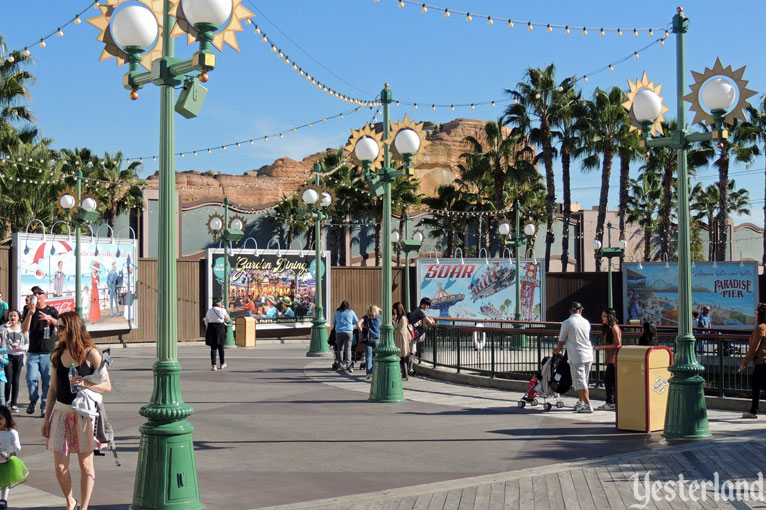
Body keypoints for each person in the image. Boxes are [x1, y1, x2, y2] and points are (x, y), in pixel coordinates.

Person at [42, 311, 111, 510]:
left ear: (73, 328)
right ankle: (70, 500)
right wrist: (46, 419)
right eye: (58, 327)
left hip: (84, 415)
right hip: (61, 412)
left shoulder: (91, 354)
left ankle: (84, 507)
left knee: (86, 466)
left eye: (62, 327)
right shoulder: (56, 353)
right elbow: (53, 389)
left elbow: (107, 386)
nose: (58, 330)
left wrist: (86, 383)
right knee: (60, 466)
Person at [21, 286, 58, 417]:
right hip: (33, 352)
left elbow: (59, 324)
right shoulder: (28, 309)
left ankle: (44, 405)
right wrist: (30, 313)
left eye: (39, 293)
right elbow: (24, 329)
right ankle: (33, 399)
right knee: (31, 378)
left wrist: (49, 318)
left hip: (48, 352)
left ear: (45, 295)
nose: (36, 295)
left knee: (47, 380)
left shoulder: (51, 310)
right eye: (34, 293)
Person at [552, 302, 593, 413]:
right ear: (580, 310)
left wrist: (557, 351)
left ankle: (588, 405)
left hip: (576, 356)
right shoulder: (586, 322)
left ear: (570, 311)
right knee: (584, 380)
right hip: (588, 353)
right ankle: (581, 402)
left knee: (580, 381)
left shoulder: (567, 322)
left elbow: (561, 340)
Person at [739, 303, 766, 419]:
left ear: (760, 314)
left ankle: (753, 411)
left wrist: (744, 363)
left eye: (756, 312)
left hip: (762, 362)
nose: (754, 314)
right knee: (757, 385)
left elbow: (753, 348)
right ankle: (753, 411)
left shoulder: (760, 328)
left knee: (756, 385)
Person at [0, 405, 29, 508]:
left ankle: (3, 499)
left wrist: (13, 453)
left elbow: (17, 446)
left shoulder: (12, 433)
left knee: (5, 481)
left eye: (1, 418)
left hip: (6, 460)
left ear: (7, 418)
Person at [595, 308, 622, 411]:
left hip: (614, 358)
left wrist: (603, 347)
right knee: (611, 380)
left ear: (609, 317)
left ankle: (610, 402)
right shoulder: (608, 328)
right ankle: (612, 401)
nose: (602, 318)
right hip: (611, 357)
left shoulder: (614, 327)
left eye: (604, 316)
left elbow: (618, 344)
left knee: (608, 379)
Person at [1, 311, 27, 412]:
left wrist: (20, 347)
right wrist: (5, 327)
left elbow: (27, 343)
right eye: (11, 315)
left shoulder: (22, 328)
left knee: (16, 379)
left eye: (14, 316)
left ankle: (14, 402)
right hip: (7, 355)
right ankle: (6, 400)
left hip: (19, 355)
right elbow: (1, 340)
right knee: (8, 378)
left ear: (18, 317)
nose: (12, 317)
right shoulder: (4, 327)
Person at [406, 298, 436, 375]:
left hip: (411, 332)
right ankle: (409, 370)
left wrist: (430, 320)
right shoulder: (421, 311)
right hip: (411, 333)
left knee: (412, 351)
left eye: (428, 305)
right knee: (412, 351)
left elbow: (427, 321)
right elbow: (429, 322)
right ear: (421, 304)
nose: (426, 306)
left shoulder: (418, 310)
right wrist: (431, 321)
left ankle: (409, 369)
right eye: (425, 304)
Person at [332, 301, 358, 373]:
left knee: (340, 349)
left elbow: (334, 322)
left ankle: (340, 364)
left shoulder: (337, 313)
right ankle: (348, 364)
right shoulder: (351, 312)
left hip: (339, 332)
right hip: (349, 332)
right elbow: (356, 321)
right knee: (348, 349)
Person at [203, 299, 229, 371]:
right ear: (219, 304)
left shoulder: (209, 311)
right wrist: (223, 309)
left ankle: (214, 365)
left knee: (213, 348)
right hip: (220, 329)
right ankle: (222, 364)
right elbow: (227, 318)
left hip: (211, 329)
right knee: (221, 347)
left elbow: (206, 320)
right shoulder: (222, 310)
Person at [359, 305, 381, 381]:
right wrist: (379, 309)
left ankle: (369, 373)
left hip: (367, 339)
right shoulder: (379, 317)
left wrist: (362, 331)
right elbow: (386, 314)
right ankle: (375, 372)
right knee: (376, 356)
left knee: (368, 356)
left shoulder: (366, 317)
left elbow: (358, 324)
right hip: (376, 339)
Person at [392, 302, 411, 381]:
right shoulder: (400, 318)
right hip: (399, 340)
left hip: (402, 340)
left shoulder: (403, 318)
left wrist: (393, 328)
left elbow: (401, 330)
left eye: (395, 309)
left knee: (402, 358)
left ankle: (405, 375)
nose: (394, 311)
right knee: (401, 358)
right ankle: (403, 374)